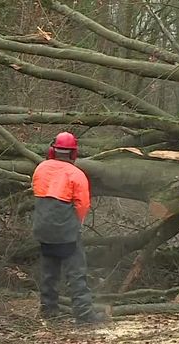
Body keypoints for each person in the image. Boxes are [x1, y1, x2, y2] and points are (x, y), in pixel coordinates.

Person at [31, 131, 104, 325]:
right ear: (74, 153)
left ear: (52, 150)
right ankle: (83, 313)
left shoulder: (40, 168)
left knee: (49, 272)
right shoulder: (76, 174)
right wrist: (76, 223)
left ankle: (48, 309)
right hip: (66, 231)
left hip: (42, 226)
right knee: (76, 272)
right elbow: (82, 205)